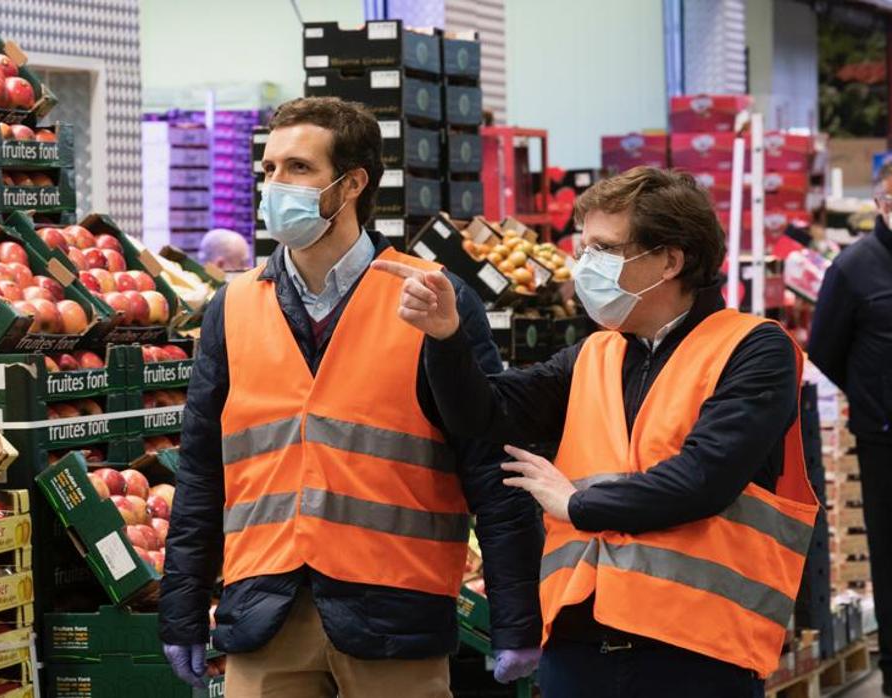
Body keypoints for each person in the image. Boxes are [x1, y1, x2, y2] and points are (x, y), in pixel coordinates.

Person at [375, 166, 818, 697]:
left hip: (694, 653)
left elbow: (704, 478)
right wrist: (446, 338)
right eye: (582, 249)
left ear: (670, 261)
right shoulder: (594, 353)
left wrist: (575, 504)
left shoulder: (754, 349)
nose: (583, 266)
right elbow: (483, 413)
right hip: (580, 645)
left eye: (603, 250)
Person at [158, 96, 544, 697]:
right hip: (265, 612)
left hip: (397, 614)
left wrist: (516, 615)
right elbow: (203, 469)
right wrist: (182, 606)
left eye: (298, 168)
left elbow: (489, 460)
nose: (276, 184)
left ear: (352, 184)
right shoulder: (232, 308)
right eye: (269, 170)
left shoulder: (431, 297)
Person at [808, 164, 892, 695]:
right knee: (888, 552)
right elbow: (824, 348)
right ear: (884, 203)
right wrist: (872, 398)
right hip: (885, 437)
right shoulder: (855, 267)